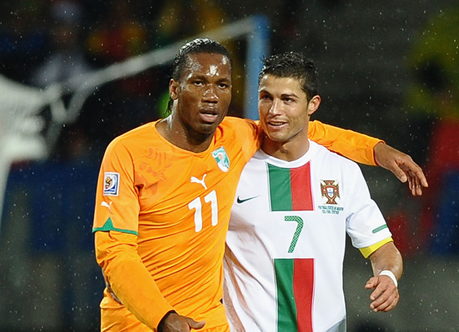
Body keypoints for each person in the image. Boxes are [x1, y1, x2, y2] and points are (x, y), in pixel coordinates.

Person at [92, 38, 424, 332]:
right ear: (175, 88)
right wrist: (162, 316)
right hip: (137, 321)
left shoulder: (233, 139)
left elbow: (307, 130)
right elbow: (115, 253)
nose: (211, 96)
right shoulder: (129, 152)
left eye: (222, 85)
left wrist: (376, 150)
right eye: (199, 82)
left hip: (208, 321)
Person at [223, 52, 402, 331]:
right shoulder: (231, 170)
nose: (273, 110)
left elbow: (382, 247)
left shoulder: (342, 172)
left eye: (288, 99)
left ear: (312, 104)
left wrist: (388, 275)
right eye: (266, 97)